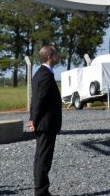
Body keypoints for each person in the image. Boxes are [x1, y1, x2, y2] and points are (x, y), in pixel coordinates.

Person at [30, 45, 63, 196]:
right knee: (43, 159)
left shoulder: (39, 73)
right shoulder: (45, 75)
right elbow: (40, 100)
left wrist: (32, 119)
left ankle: (42, 190)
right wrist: (34, 120)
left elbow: (35, 99)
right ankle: (41, 191)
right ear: (50, 57)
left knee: (41, 157)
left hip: (43, 122)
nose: (58, 56)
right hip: (45, 123)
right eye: (56, 54)